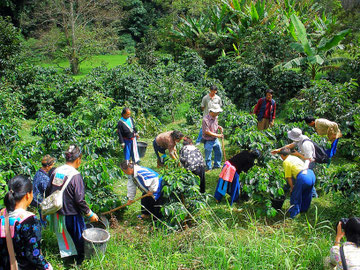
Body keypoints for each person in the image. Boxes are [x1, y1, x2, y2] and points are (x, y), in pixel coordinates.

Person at [46, 145, 98, 265]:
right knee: (78, 238)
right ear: (78, 159)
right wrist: (90, 213)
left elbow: (48, 191)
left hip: (57, 212)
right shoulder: (75, 175)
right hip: (71, 214)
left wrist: (45, 211)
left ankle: (67, 258)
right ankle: (79, 261)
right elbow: (79, 200)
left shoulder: (56, 171)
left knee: (63, 235)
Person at [0, 175, 53, 270]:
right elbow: (33, 255)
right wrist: (47, 267)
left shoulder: (1, 214)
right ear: (28, 195)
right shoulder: (29, 220)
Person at [276, 148, 315, 218]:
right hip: (311, 174)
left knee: (295, 196)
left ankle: (293, 215)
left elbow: (289, 177)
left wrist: (292, 188)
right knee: (307, 194)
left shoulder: (286, 162)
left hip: (303, 177)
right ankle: (304, 211)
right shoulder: (294, 157)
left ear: (282, 155)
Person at [202, 103, 223, 171]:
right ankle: (208, 167)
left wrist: (219, 127)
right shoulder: (205, 120)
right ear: (212, 112)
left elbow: (215, 124)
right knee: (208, 154)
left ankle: (217, 165)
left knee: (219, 152)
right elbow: (206, 131)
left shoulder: (216, 117)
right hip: (208, 140)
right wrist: (218, 135)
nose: (218, 113)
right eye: (217, 112)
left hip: (215, 139)